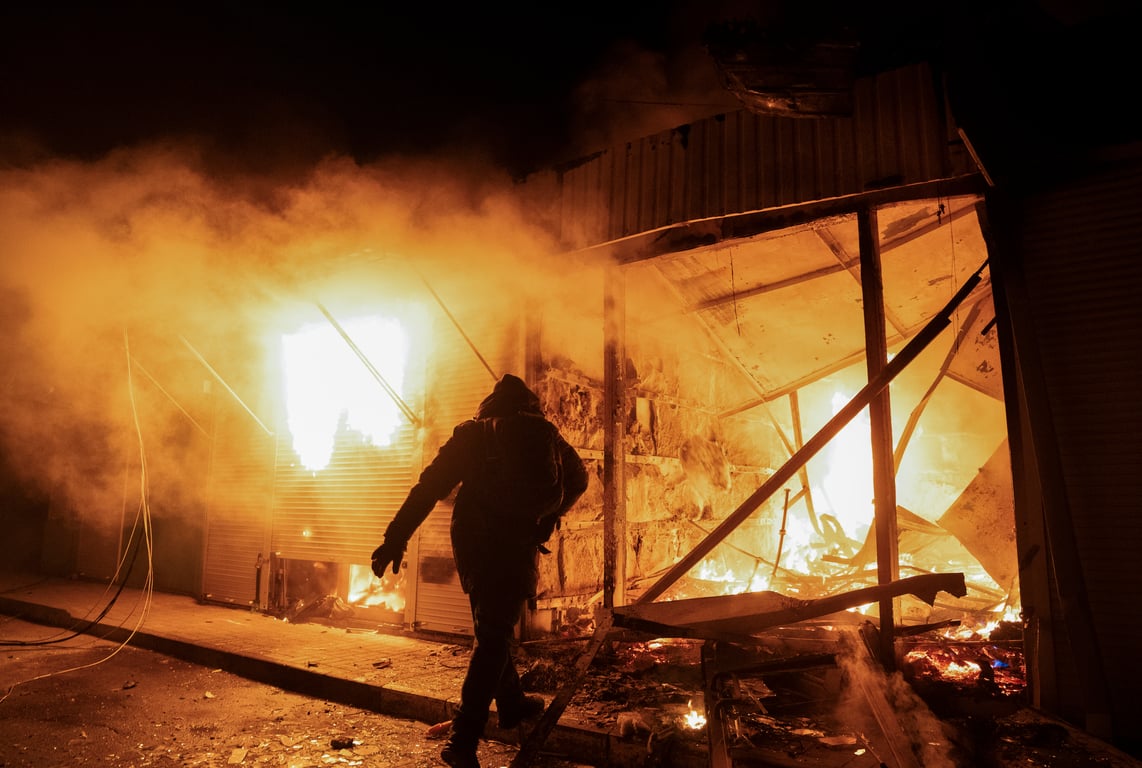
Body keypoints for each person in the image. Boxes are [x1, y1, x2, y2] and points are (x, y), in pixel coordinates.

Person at [371, 373, 589, 768]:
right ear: (529, 406)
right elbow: (580, 479)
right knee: (493, 634)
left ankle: (510, 703)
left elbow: (428, 487)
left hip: (472, 542)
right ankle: (464, 739)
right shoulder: (545, 433)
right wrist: (548, 517)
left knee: (491, 629)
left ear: (491, 404)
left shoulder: (471, 435)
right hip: (516, 544)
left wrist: (395, 537)